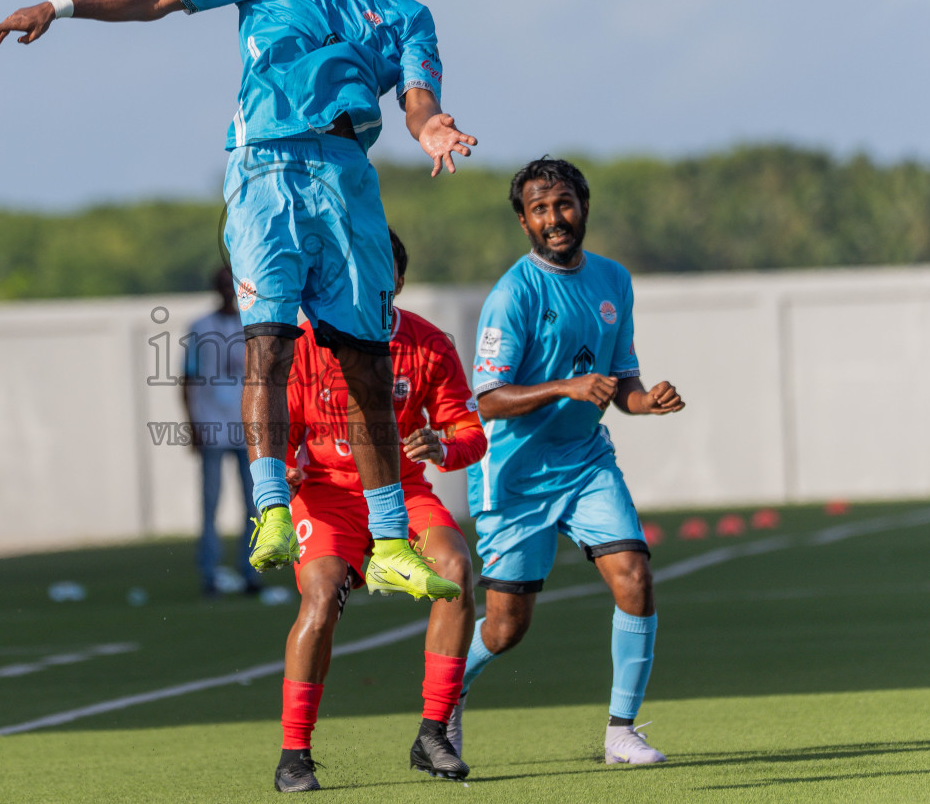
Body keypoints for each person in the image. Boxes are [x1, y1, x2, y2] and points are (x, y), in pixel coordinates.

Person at [0, 0, 477, 600]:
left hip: (347, 178)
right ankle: (273, 509)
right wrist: (59, 7)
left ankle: (387, 542)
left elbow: (416, 98)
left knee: (367, 367)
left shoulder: (410, 15)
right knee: (270, 343)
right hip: (267, 171)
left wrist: (433, 127)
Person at [458, 159, 686, 766]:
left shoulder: (614, 280)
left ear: (583, 206)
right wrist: (565, 387)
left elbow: (623, 382)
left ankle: (621, 732)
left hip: (585, 462)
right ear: (523, 220)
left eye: (563, 204)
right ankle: (443, 702)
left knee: (635, 576)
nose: (554, 219)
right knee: (506, 628)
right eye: (539, 209)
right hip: (516, 475)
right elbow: (488, 398)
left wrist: (647, 401)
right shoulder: (514, 294)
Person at [273, 230, 487, 791]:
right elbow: (281, 434)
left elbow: (469, 433)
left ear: (396, 276)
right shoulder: (304, 342)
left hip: (402, 490)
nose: (363, 281)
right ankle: (294, 752)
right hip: (328, 496)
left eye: (375, 268)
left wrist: (444, 446)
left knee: (457, 571)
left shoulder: (427, 343)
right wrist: (287, 468)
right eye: (350, 270)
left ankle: (433, 732)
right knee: (319, 597)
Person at [182, 265, 262, 598]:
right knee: (211, 504)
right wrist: (192, 424)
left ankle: (250, 572)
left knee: (253, 505)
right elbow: (186, 379)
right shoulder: (200, 328)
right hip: (212, 424)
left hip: (247, 427)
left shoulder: (253, 326)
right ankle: (210, 574)